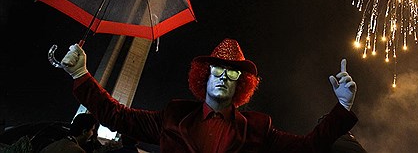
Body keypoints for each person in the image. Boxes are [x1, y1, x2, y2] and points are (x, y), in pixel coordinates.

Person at [58, 38, 358, 152]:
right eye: (217, 70)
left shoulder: (258, 128)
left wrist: (343, 105)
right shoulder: (174, 115)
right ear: (204, 76)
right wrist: (81, 75)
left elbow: (307, 148)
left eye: (233, 73)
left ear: (243, 84)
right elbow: (117, 116)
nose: (224, 77)